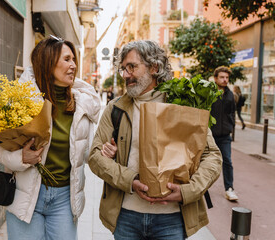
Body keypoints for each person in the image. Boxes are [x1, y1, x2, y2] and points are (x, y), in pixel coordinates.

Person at [88, 40, 222, 239]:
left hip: (172, 219)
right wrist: (131, 180)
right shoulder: (116, 108)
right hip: (126, 216)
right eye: (123, 69)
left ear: (154, 67)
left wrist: (188, 191)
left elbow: (213, 157)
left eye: (131, 67)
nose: (125, 75)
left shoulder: (181, 105)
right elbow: (94, 157)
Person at [0, 35, 101, 240]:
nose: (73, 65)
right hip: (27, 196)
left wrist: (103, 152)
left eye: (73, 60)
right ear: (48, 64)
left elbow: (87, 154)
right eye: (67, 59)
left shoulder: (81, 107)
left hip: (64, 200)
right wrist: (22, 158)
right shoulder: (23, 102)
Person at [211, 66, 238, 201]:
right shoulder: (209, 92)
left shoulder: (230, 94)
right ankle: (198, 190)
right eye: (222, 77)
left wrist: (231, 124)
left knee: (227, 161)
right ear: (215, 78)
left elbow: (232, 112)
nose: (225, 80)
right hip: (210, 135)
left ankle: (229, 189)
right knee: (202, 161)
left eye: (227, 77)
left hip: (225, 135)